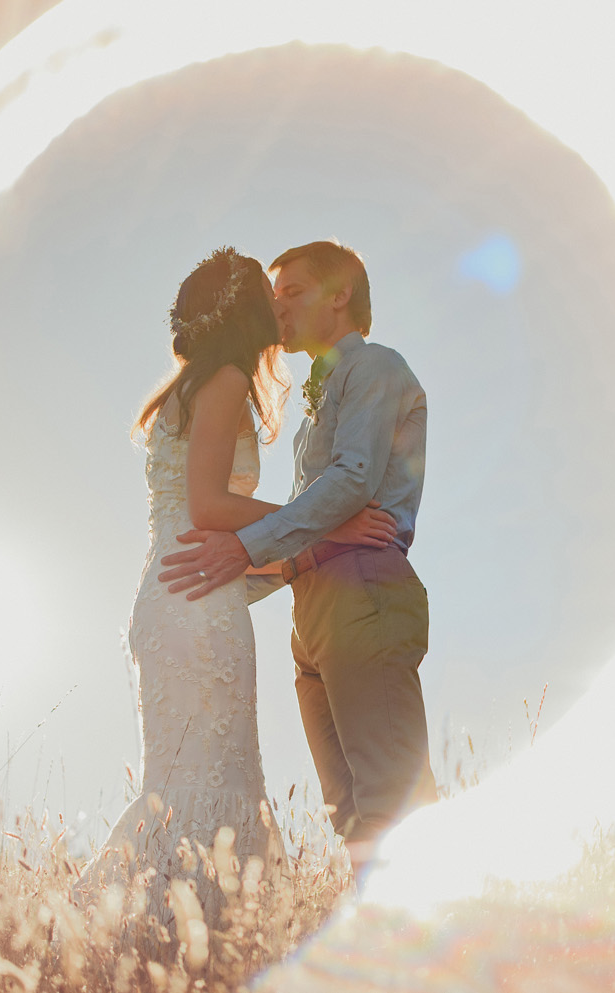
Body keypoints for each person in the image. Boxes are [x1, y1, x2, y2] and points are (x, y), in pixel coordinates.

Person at [78, 246, 395, 925]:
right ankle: (191, 943)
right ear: (244, 310)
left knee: (187, 787)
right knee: (210, 787)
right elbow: (210, 508)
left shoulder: (188, 388)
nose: (279, 309)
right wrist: (326, 524)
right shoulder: (223, 381)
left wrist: (300, 558)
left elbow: (210, 539)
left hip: (176, 596)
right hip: (196, 613)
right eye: (268, 295)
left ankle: (164, 945)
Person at [158, 240, 437, 875]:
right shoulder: (318, 392)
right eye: (274, 296)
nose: (278, 308)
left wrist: (245, 547)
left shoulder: (375, 368)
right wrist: (245, 575)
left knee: (392, 796)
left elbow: (351, 483)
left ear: (340, 296)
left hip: (362, 590)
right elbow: (311, 519)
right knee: (350, 810)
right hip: (313, 610)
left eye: (294, 293)